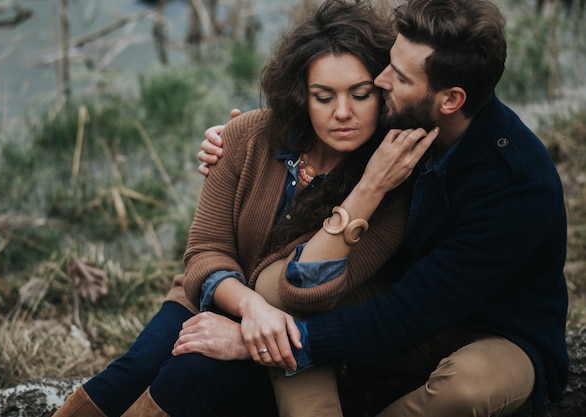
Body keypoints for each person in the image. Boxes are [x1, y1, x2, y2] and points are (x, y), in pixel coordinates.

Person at [179, 0, 570, 416]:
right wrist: (237, 138)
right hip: (398, 300)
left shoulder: (518, 189)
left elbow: (409, 315)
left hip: (494, 336)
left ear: (451, 100)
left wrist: (251, 341)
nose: (380, 80)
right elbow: (319, 116)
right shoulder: (403, 113)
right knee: (279, 287)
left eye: (398, 76)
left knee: (467, 390)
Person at [52, 1, 436, 416]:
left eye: (360, 95)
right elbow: (204, 252)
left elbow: (307, 292)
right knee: (132, 370)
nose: (343, 113)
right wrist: (249, 307)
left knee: (189, 374)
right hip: (210, 296)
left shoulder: (392, 186)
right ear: (301, 95)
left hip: (291, 333)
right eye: (323, 97)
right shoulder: (249, 136)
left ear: (383, 93)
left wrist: (369, 188)